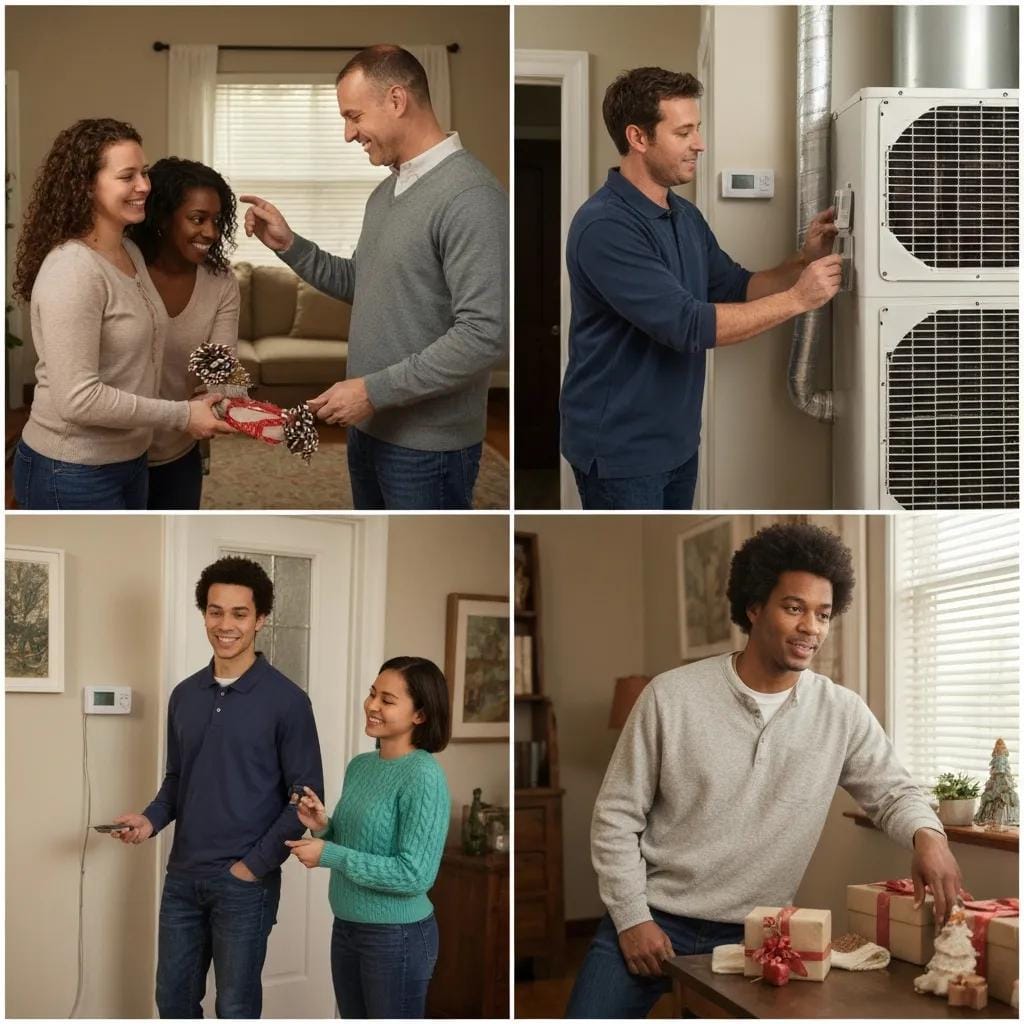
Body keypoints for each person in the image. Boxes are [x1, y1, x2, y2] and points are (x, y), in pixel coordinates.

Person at [565, 524, 963, 1018]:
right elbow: (615, 817)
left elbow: (892, 791)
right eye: (794, 608)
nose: (811, 628)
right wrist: (630, 918)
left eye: (822, 614)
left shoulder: (841, 711)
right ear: (754, 608)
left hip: (762, 931)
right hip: (653, 914)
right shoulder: (671, 697)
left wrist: (930, 836)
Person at [241, 44, 508, 510]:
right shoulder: (386, 192)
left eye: (354, 116)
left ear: (397, 100)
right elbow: (361, 283)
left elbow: (485, 335)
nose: (348, 134)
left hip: (427, 447)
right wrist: (289, 245)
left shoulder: (471, 196)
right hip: (369, 428)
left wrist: (371, 390)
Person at [560, 68, 842, 510]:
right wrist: (799, 299)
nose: (700, 143)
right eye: (684, 131)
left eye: (698, 129)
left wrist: (803, 260)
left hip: (678, 440)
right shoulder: (604, 226)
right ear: (638, 137)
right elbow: (688, 325)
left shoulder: (684, 216)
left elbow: (739, 286)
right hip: (621, 448)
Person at [110, 556, 324, 1019]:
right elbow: (178, 779)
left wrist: (252, 867)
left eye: (239, 613)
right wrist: (149, 820)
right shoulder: (185, 695)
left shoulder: (288, 700)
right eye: (215, 611)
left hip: (245, 885)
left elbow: (303, 800)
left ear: (260, 618)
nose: (225, 625)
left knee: (236, 1007)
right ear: (204, 613)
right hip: (183, 877)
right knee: (173, 1003)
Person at [11, 119, 231, 510]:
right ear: (87, 186)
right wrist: (182, 415)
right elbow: (77, 399)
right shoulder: (73, 269)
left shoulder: (128, 253)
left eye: (144, 173)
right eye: (127, 176)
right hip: (72, 467)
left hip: (131, 459)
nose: (144, 185)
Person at [286, 656, 451, 1018]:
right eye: (372, 694)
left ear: (420, 715)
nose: (371, 706)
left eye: (387, 700)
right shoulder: (361, 766)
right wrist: (322, 825)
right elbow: (357, 843)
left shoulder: (424, 775)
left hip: (397, 936)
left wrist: (329, 854)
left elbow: (415, 874)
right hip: (347, 925)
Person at [127, 157, 241, 509]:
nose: (211, 232)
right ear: (162, 217)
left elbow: (223, 371)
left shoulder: (221, 282)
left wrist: (231, 403)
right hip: (115, 453)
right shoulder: (122, 268)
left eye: (217, 221)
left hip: (179, 450)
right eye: (197, 218)